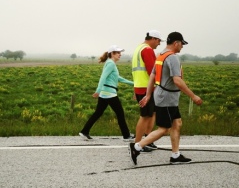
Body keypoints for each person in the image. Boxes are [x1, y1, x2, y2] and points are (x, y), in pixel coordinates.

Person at [129, 32, 203, 165]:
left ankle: (175, 155)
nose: (182, 47)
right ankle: (136, 147)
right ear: (176, 43)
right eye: (182, 44)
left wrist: (148, 95)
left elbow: (152, 76)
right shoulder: (172, 58)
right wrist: (193, 96)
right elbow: (177, 81)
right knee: (163, 129)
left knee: (177, 123)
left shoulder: (160, 55)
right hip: (166, 98)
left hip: (166, 97)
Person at [79, 45, 135, 141]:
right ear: (112, 54)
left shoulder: (110, 63)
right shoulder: (111, 64)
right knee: (120, 113)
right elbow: (103, 77)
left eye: (120, 53)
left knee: (98, 113)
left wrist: (134, 83)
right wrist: (98, 90)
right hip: (109, 93)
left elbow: (118, 78)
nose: (120, 55)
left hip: (105, 93)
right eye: (118, 53)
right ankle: (126, 136)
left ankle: (84, 131)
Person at [131, 30, 163, 153]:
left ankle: (147, 140)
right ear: (153, 38)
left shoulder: (138, 48)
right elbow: (152, 71)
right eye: (159, 41)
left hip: (140, 86)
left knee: (151, 114)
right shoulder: (147, 50)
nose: (159, 44)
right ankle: (138, 144)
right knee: (145, 116)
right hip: (147, 88)